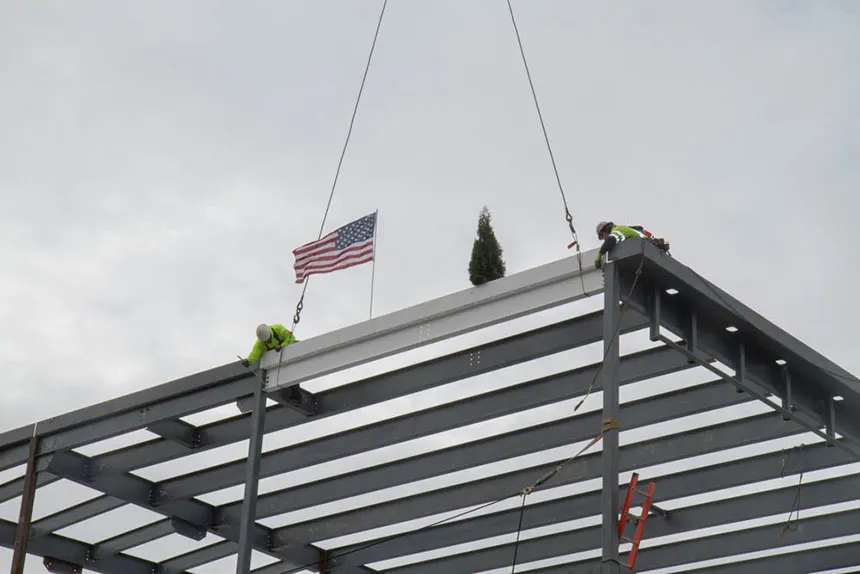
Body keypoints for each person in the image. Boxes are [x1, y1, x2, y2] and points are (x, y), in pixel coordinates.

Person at [594, 221, 670, 269]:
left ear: (604, 232)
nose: (604, 239)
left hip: (646, 248)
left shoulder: (618, 230)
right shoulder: (623, 229)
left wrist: (599, 256)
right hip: (648, 249)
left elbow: (610, 240)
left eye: (602, 237)